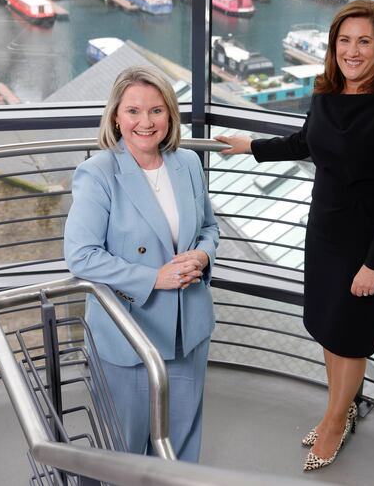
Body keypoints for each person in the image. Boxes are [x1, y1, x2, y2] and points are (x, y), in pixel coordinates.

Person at [216, 0, 374, 471]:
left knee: (351, 338)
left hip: (364, 246)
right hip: (324, 234)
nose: (352, 50)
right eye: (344, 40)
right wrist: (251, 147)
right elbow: (306, 142)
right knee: (329, 330)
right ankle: (339, 410)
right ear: (333, 47)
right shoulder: (326, 94)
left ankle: (333, 423)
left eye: (364, 41)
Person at [64, 65, 219, 462]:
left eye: (156, 110)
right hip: (129, 332)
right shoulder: (98, 173)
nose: (145, 122)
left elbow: (209, 228)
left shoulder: (187, 164)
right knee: (126, 449)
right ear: (116, 116)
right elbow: (81, 255)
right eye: (133, 111)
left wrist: (202, 254)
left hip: (189, 327)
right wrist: (154, 278)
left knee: (182, 444)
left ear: (170, 114)